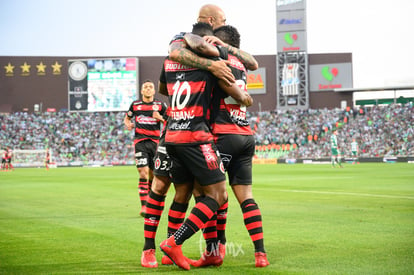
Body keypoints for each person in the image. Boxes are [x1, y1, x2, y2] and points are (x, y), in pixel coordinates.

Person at [158, 22, 252, 271]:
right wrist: (242, 95)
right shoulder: (215, 64)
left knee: (186, 194)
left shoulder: (169, 61)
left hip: (173, 136)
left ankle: (195, 252)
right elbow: (242, 97)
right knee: (218, 195)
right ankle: (173, 243)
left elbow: (162, 89)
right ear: (208, 41)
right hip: (197, 136)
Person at [188, 25, 269, 268]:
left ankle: (213, 251)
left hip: (222, 133)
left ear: (215, 42)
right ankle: (260, 254)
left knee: (207, 194)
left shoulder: (218, 60)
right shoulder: (241, 63)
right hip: (245, 135)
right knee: (246, 198)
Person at [124, 80, 167, 217]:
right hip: (140, 142)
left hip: (155, 144)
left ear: (154, 91)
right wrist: (128, 124)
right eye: (145, 87)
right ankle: (145, 207)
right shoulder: (135, 105)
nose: (148, 89)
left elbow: (168, 121)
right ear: (142, 91)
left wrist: (159, 117)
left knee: (153, 175)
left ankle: (150, 201)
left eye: (150, 87)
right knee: (143, 172)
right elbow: (127, 118)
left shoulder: (160, 105)